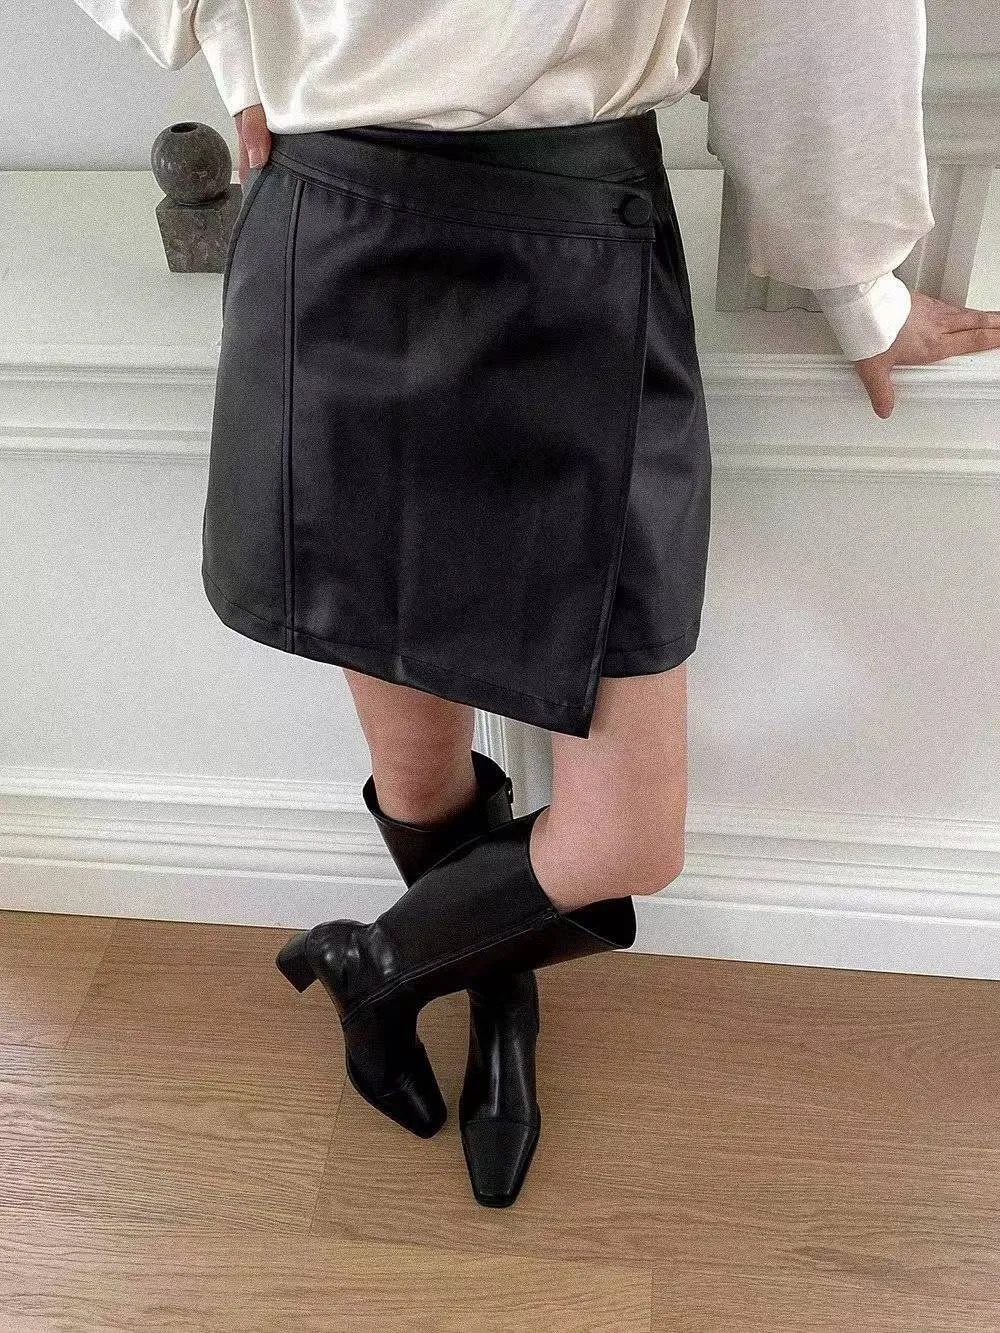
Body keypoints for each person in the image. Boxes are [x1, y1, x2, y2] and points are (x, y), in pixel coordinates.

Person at [74, 0, 1000, 1208]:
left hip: (575, 252)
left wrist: (857, 283)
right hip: (336, 223)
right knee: (418, 776)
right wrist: (243, 56)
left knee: (629, 838)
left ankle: (379, 968)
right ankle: (495, 1000)